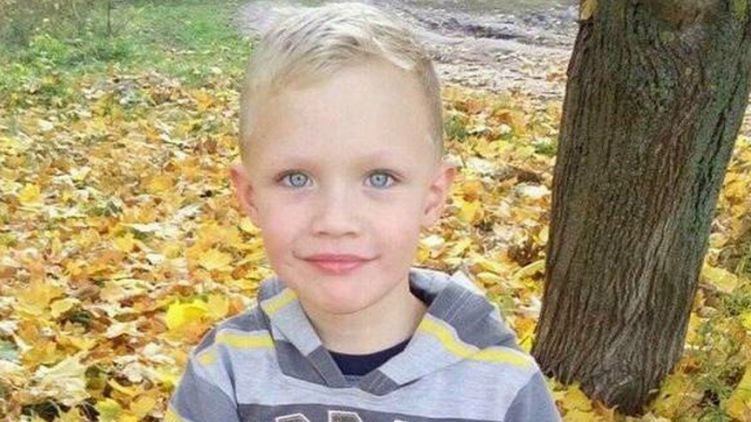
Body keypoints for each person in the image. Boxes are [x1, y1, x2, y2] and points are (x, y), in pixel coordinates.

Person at [167, 2, 560, 421]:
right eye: (296, 179)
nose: (336, 221)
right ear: (250, 196)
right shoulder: (224, 374)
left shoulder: (503, 389)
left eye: (379, 178)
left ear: (432, 197)